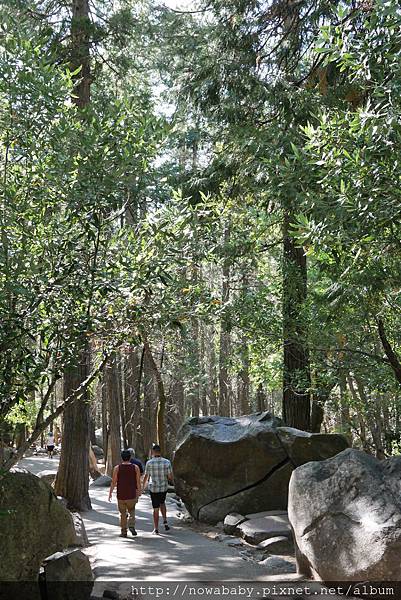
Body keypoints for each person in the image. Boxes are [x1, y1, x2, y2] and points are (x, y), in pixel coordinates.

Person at [108, 449, 141, 538]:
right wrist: (139, 492)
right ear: (130, 457)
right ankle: (131, 525)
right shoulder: (135, 467)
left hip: (121, 494)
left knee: (122, 513)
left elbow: (114, 482)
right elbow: (138, 482)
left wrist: (110, 492)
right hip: (131, 494)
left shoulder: (117, 468)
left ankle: (124, 531)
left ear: (122, 458)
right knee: (132, 510)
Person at [143, 444, 173, 534]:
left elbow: (146, 476)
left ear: (153, 452)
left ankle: (156, 529)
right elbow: (170, 477)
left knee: (155, 508)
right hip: (163, 487)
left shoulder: (149, 463)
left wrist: (142, 487)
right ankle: (165, 520)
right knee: (162, 503)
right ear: (160, 451)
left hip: (154, 488)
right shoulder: (167, 462)